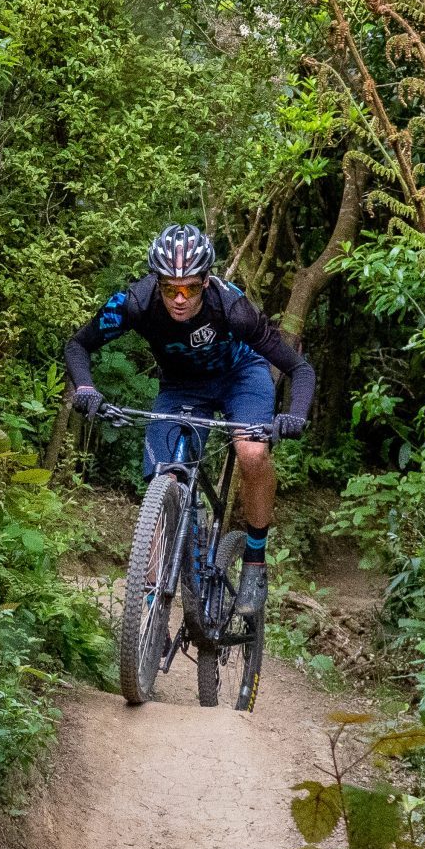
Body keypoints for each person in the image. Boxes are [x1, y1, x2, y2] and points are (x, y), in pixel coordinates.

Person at [63, 225, 315, 630]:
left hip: (241, 377)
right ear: (156, 283)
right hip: (182, 387)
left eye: (191, 288)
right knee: (164, 479)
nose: (179, 298)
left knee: (251, 452)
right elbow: (78, 345)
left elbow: (299, 368)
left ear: (206, 282)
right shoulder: (135, 303)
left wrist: (295, 415)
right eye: (170, 288)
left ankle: (254, 560)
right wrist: (86, 388)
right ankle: (149, 611)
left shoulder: (232, 308)